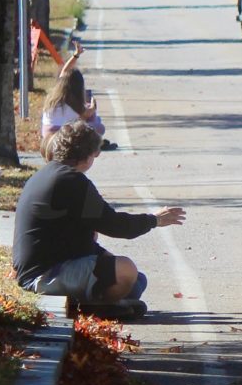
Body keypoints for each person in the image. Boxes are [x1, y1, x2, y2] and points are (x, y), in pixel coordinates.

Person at [12, 121, 183, 319]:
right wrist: (154, 220)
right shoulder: (72, 181)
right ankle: (95, 309)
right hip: (43, 275)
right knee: (126, 271)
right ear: (88, 155)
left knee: (137, 282)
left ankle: (100, 302)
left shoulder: (48, 174)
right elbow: (116, 226)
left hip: (51, 263)